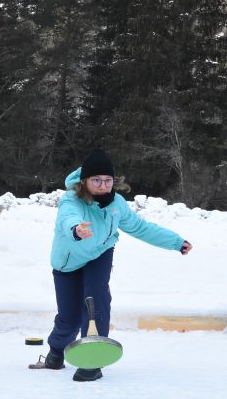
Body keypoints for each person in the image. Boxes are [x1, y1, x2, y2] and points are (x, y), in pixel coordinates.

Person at [31, 149, 192, 382]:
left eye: (108, 180)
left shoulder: (117, 204)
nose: (103, 185)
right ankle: (56, 351)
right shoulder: (71, 199)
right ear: (84, 181)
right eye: (96, 180)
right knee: (70, 317)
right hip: (68, 262)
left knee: (96, 299)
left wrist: (175, 242)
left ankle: (93, 361)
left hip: (99, 254)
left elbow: (141, 228)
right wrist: (76, 229)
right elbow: (68, 217)